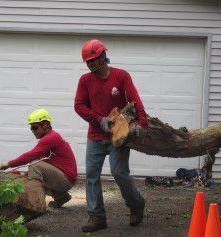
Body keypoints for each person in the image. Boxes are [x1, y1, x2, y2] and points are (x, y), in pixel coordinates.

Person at [74, 39, 148, 232]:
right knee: (91, 175)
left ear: (103, 57)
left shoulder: (121, 76)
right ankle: (97, 217)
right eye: (87, 62)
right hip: (95, 136)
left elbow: (135, 100)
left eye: (93, 60)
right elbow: (79, 106)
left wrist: (141, 123)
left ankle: (136, 204)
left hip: (119, 135)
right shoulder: (85, 81)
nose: (90, 64)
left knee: (119, 173)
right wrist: (99, 120)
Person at [0, 108, 77, 208]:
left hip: (66, 180)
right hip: (65, 178)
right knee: (30, 173)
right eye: (31, 129)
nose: (33, 131)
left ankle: (37, 205)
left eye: (35, 128)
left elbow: (30, 156)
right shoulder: (49, 138)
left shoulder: (51, 138)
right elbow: (37, 159)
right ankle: (61, 197)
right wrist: (23, 173)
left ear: (45, 125)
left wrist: (8, 164)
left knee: (35, 166)